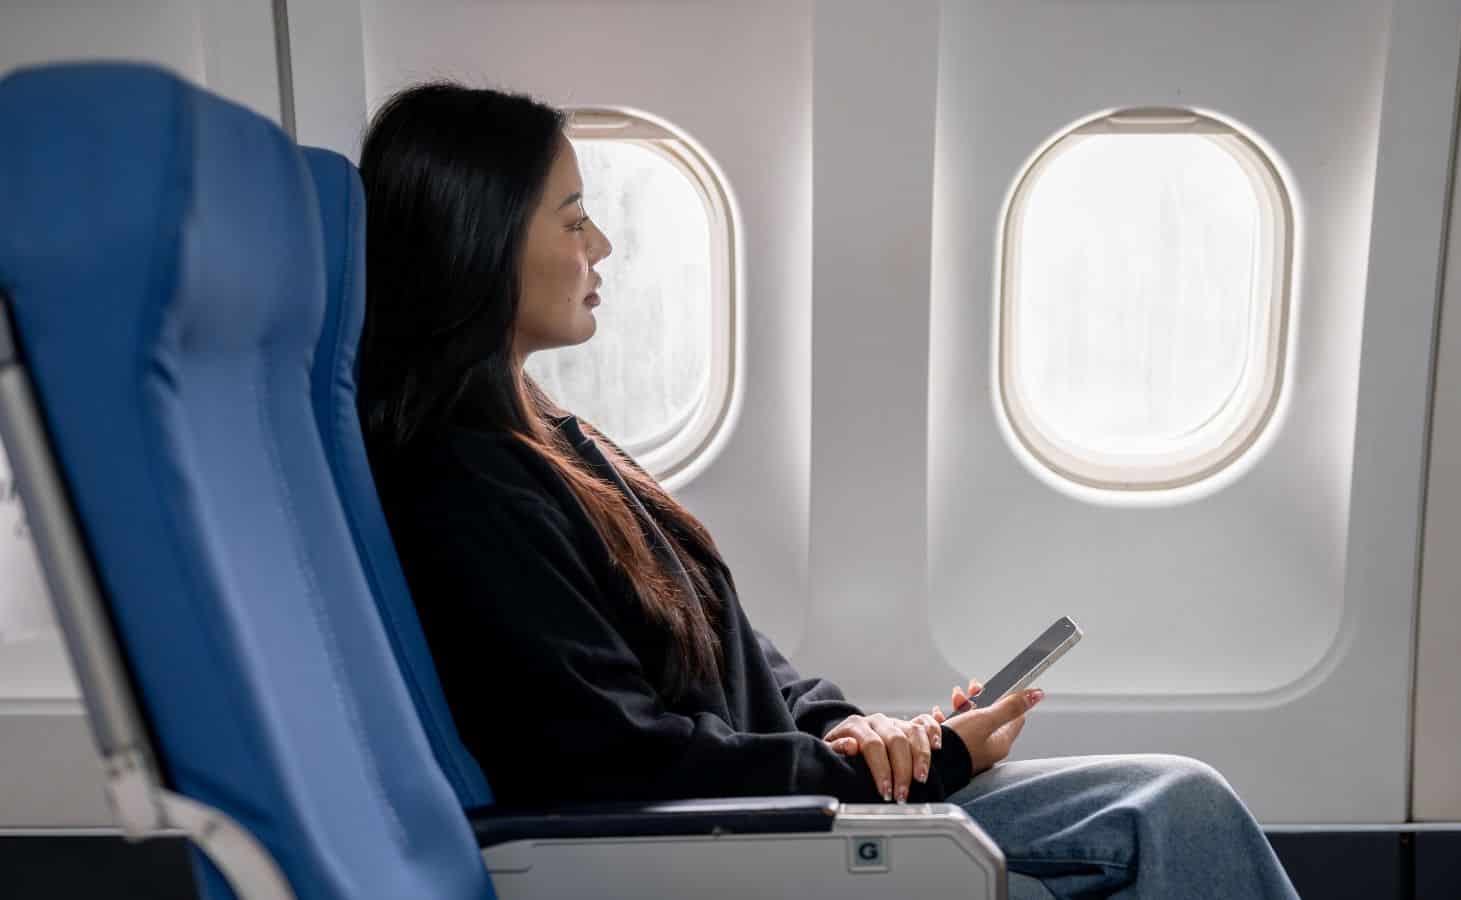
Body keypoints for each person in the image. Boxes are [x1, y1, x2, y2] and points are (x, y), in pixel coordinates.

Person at [356, 82, 1301, 900]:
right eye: (571, 219)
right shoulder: (465, 488)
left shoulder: (553, 435)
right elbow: (619, 759)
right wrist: (910, 770)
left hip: (795, 799)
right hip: (750, 839)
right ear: (479, 243)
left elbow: (722, 649)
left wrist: (856, 727)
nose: (602, 243)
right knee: (1171, 813)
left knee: (1175, 794)